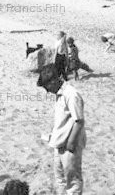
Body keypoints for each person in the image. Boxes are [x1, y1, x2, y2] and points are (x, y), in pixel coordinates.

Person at [37, 67, 86, 195]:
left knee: (73, 180)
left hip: (70, 144)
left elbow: (79, 120)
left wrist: (71, 142)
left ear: (53, 81)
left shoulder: (71, 94)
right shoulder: (60, 94)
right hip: (59, 143)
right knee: (60, 178)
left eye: (46, 87)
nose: (47, 91)